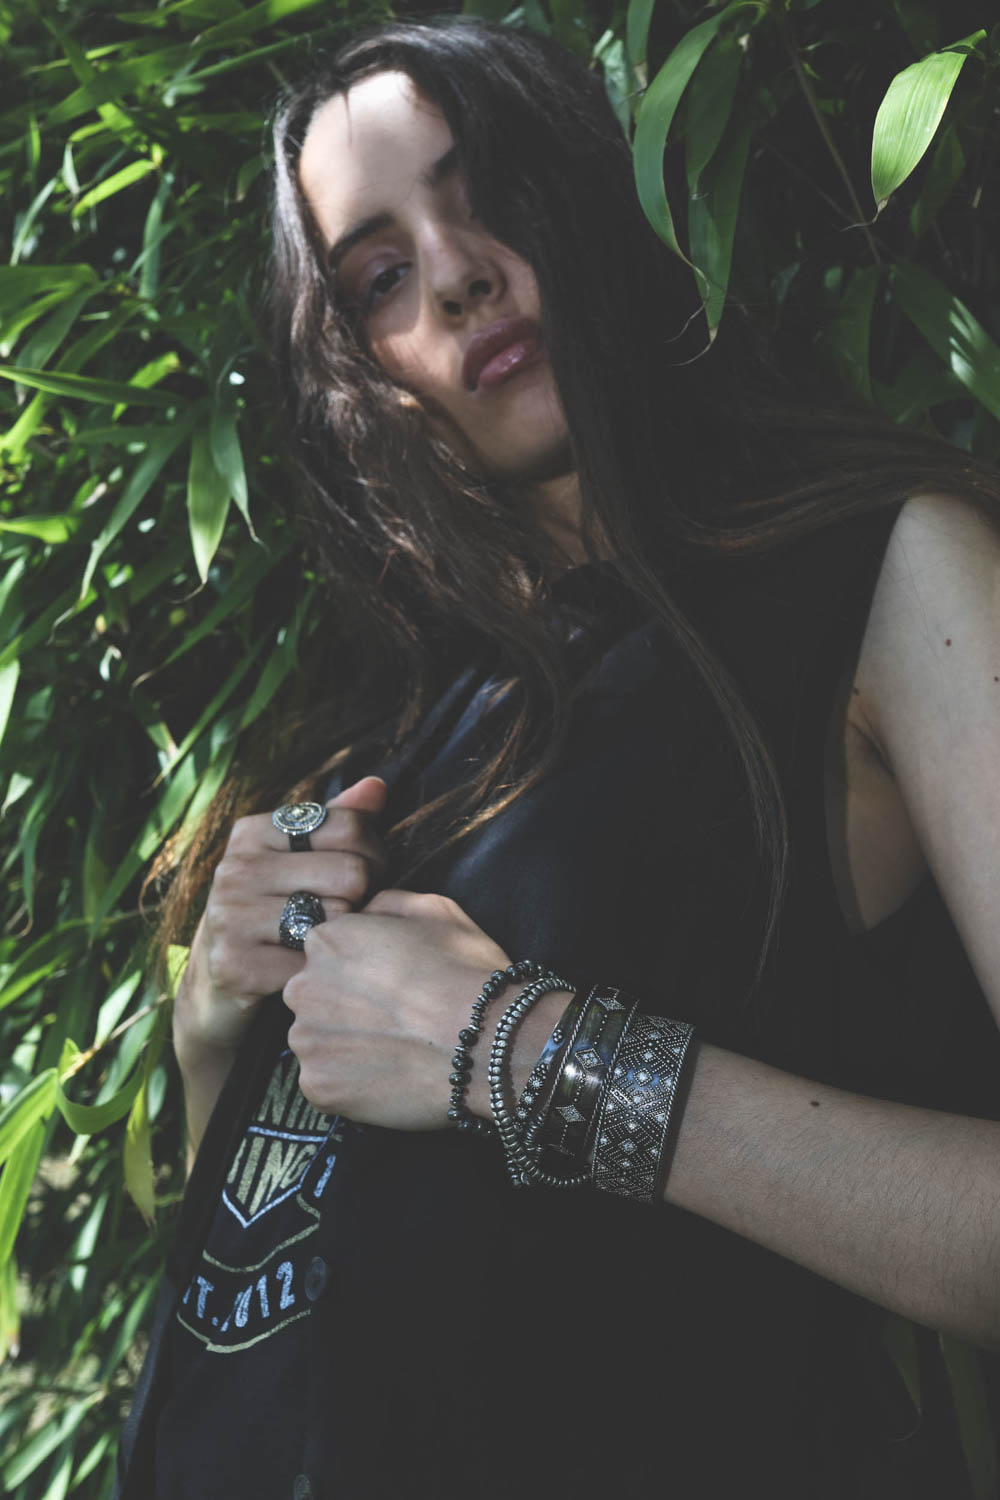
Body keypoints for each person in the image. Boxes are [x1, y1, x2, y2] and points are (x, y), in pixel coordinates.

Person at [117, 17, 1000, 1499]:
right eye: (381, 274)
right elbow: (281, 1296)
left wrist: (520, 1053)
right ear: (362, 373)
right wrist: (221, 1034)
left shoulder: (882, 583)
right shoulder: (384, 735)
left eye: (493, 194)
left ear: (592, 189)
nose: (457, 271)